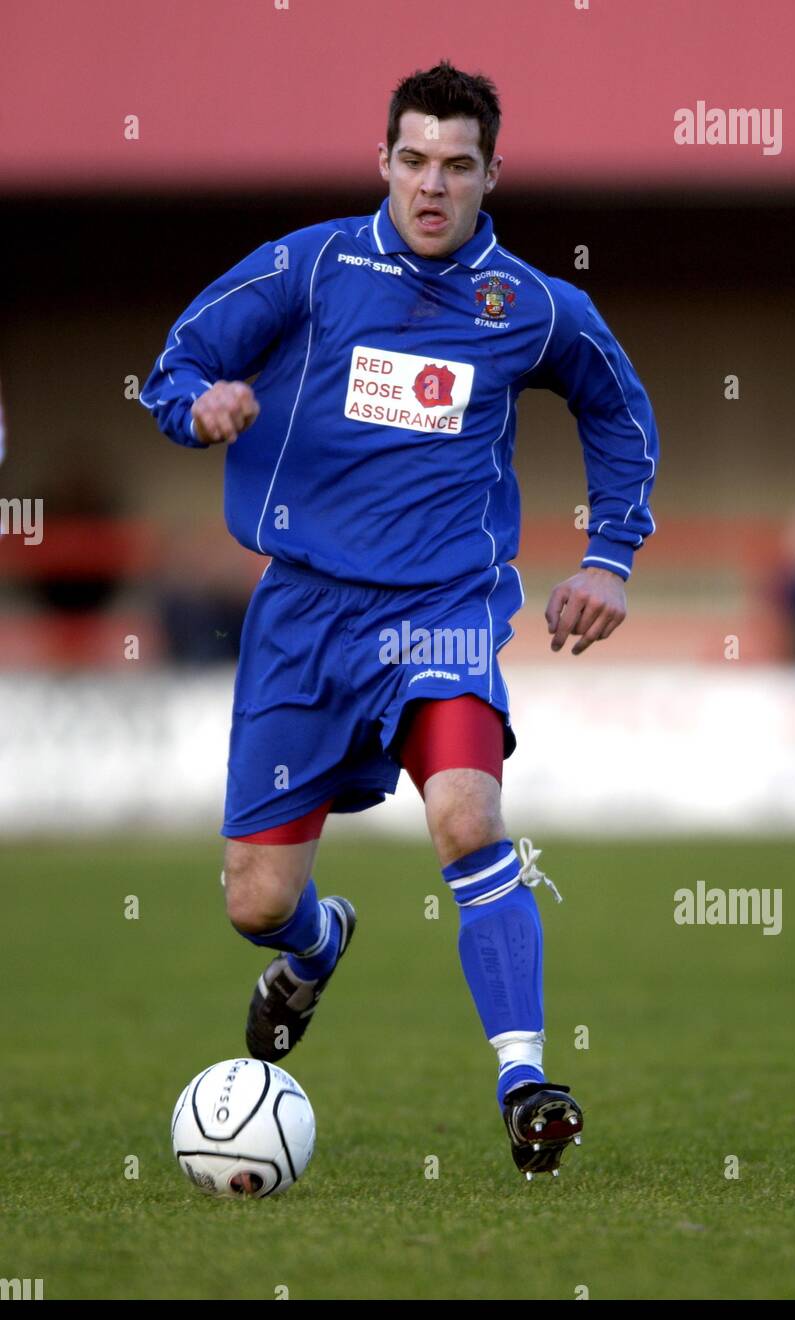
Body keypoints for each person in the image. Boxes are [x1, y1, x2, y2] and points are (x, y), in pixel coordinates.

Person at [140, 59, 659, 1180]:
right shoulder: (312, 266)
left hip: (444, 609)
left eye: (456, 166)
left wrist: (608, 557)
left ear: (489, 175)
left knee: (468, 819)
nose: (432, 185)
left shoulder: (528, 306)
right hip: (303, 615)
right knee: (255, 901)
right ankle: (318, 949)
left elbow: (616, 405)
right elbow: (176, 362)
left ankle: (524, 1081)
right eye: (413, 161)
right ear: (383, 161)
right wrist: (200, 407)